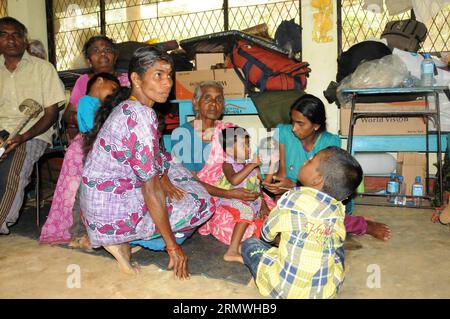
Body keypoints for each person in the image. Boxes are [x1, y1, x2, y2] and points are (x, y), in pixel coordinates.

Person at [80, 46, 214, 277]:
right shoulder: (142, 116)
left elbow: (154, 160)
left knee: (173, 166)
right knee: (203, 202)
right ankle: (132, 238)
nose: (167, 83)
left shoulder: (127, 106)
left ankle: (121, 242)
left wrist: (165, 177)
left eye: (169, 75)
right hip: (113, 212)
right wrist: (173, 247)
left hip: (96, 204)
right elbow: (150, 187)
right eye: (158, 75)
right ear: (136, 79)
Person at [262, 94, 391, 241]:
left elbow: (329, 189)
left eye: (300, 123)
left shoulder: (330, 143)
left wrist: (292, 187)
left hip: (324, 195)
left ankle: (363, 225)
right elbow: (281, 172)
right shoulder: (283, 132)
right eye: (292, 122)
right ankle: (348, 221)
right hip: (291, 194)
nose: (293, 128)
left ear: (316, 126)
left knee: (322, 214)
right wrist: (277, 189)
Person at [39, 35, 129, 245]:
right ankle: (71, 227)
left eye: (107, 49)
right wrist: (79, 120)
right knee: (76, 157)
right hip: (88, 137)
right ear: (89, 60)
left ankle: (116, 224)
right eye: (96, 51)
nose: (103, 54)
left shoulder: (126, 80)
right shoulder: (82, 82)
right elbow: (71, 115)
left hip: (119, 137)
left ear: (115, 55)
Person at [241, 146, 363, 299]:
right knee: (337, 249)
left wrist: (266, 242)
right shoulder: (337, 212)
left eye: (311, 160)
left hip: (281, 291)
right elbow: (337, 240)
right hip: (323, 294)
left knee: (250, 245)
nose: (306, 160)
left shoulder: (291, 199)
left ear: (317, 179)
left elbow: (267, 233)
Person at [171, 81, 275, 246]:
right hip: (210, 196)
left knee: (276, 215)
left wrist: (261, 201)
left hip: (242, 190)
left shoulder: (230, 130)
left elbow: (251, 169)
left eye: (219, 99)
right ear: (195, 103)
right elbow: (189, 182)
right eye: (208, 98)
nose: (214, 104)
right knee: (239, 229)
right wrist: (229, 194)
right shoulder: (183, 135)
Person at [0, 17, 66, 234]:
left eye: (16, 34)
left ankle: (1, 220)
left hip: (33, 134)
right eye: (4, 34)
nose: (10, 40)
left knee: (15, 162)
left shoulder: (43, 69)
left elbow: (51, 114)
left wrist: (23, 136)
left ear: (24, 39)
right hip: (2, 132)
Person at [217, 127, 271, 263]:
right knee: (246, 212)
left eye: (248, 144)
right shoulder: (228, 165)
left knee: (265, 220)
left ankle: (245, 245)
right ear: (229, 150)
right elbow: (234, 180)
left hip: (253, 202)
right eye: (243, 145)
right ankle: (232, 250)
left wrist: (264, 205)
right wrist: (252, 165)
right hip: (232, 200)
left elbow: (261, 186)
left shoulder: (252, 167)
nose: (248, 148)